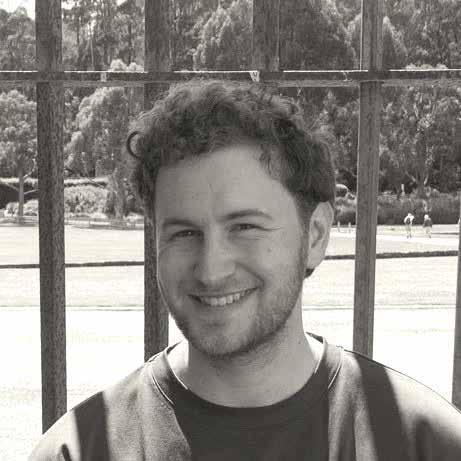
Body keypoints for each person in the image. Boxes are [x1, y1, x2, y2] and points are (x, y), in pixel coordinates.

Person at [29, 80, 461, 460]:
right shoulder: (79, 451)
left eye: (245, 227)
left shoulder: (427, 445)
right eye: (183, 233)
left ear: (315, 235)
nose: (211, 270)